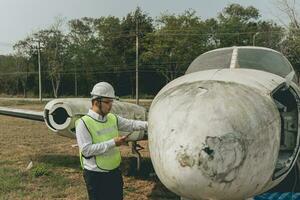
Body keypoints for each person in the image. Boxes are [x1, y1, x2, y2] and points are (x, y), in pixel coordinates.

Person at [75, 82, 148, 200]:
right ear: (96, 102)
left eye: (111, 102)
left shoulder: (112, 118)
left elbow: (131, 124)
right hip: (96, 175)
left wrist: (151, 124)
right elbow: (86, 150)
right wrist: (113, 143)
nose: (110, 106)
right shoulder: (83, 124)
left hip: (114, 172)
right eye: (107, 102)